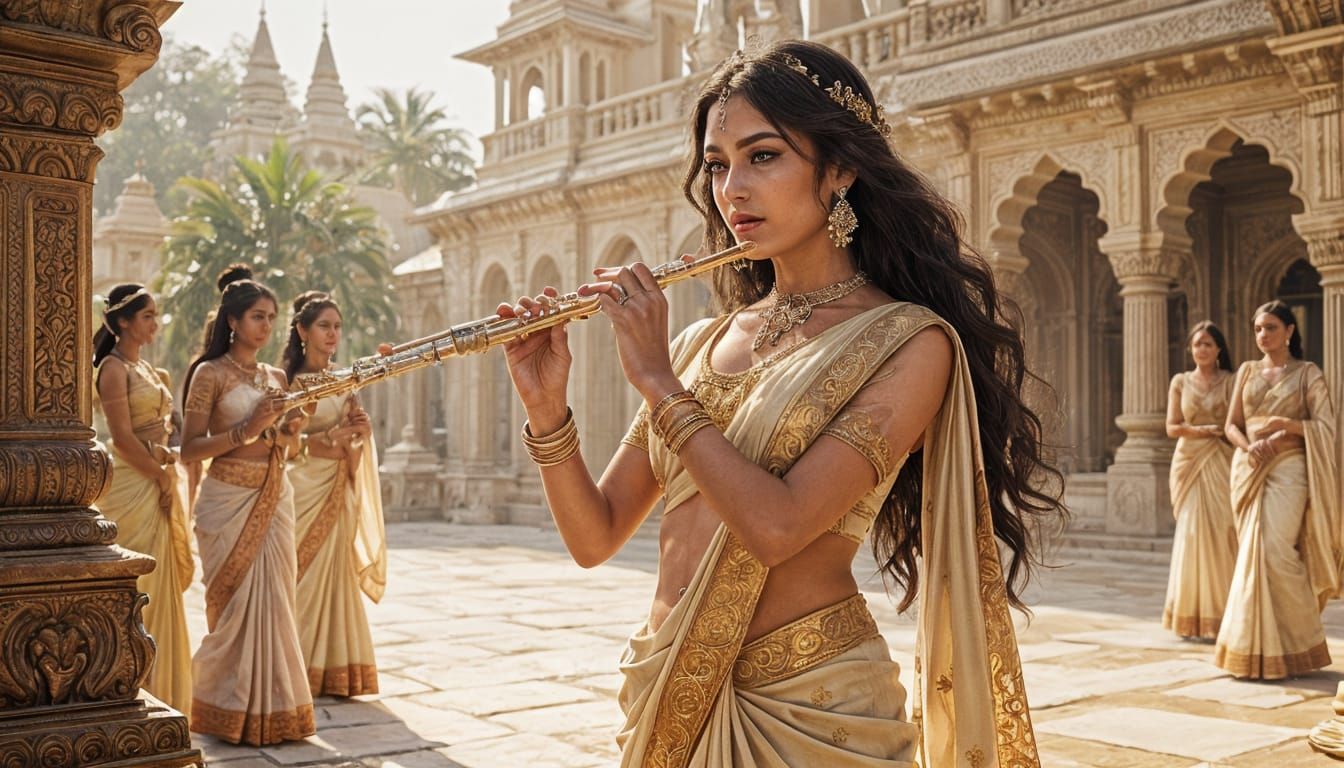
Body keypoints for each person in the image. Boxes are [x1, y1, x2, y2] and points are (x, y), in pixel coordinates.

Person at [498, 40, 1061, 767]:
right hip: (666, 696)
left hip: (810, 710)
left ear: (839, 170)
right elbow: (595, 536)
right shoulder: (704, 341)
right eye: (717, 163)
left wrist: (659, 383)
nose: (733, 187)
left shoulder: (910, 344)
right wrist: (548, 411)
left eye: (763, 156)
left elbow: (778, 526)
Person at [181, 266, 315, 745]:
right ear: (233, 321)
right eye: (258, 316)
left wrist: (290, 431)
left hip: (274, 495)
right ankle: (226, 710)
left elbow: (286, 447)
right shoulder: (208, 373)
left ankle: (277, 711)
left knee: (277, 601)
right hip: (226, 500)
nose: (267, 326)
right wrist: (247, 429)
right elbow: (188, 448)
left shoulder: (276, 375)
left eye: (272, 317)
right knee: (235, 609)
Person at [1216, 300, 1340, 679]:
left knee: (1275, 551)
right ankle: (1250, 651)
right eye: (1257, 329)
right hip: (1249, 469)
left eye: (1270, 327)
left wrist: (1286, 424)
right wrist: (1247, 446)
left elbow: (1326, 425)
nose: (1262, 335)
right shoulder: (1248, 371)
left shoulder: (1307, 373)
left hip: (1290, 470)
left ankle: (1298, 643)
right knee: (1251, 554)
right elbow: (1231, 425)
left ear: (1289, 330)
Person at [92, 284, 193, 713]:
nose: (155, 322)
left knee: (164, 589)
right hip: (133, 486)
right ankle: (135, 696)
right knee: (140, 589)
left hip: (156, 478)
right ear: (122, 322)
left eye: (155, 315)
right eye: (147, 316)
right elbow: (122, 441)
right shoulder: (113, 369)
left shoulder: (149, 369)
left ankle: (168, 697)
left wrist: (165, 469)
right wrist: (161, 475)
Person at [282, 291, 385, 697]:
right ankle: (294, 666)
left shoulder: (346, 380)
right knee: (298, 577)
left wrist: (362, 432)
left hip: (337, 487)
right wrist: (329, 437)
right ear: (302, 330)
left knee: (334, 576)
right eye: (324, 326)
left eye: (337, 326)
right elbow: (285, 442)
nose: (332, 334)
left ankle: (334, 670)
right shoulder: (288, 382)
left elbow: (356, 434)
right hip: (302, 488)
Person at [1161, 321, 1237, 640]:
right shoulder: (1180, 381)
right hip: (1190, 461)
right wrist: (1201, 431)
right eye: (1196, 345)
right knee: (1191, 534)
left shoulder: (1231, 381)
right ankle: (1190, 616)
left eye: (1207, 344)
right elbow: (1171, 426)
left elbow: (1238, 422)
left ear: (1219, 349)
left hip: (1222, 458)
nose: (1201, 350)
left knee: (1223, 532)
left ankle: (1227, 614)